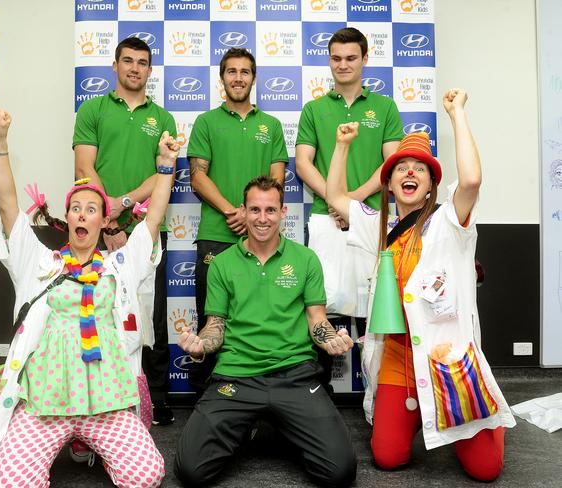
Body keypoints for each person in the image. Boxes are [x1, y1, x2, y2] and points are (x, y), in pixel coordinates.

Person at [0, 109, 179, 487]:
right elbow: (7, 208)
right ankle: (71, 442)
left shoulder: (120, 265)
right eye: (76, 208)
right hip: (46, 405)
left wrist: (166, 165)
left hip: (106, 402)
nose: (83, 214)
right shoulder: (40, 262)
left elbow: (152, 221)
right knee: (10, 483)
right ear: (66, 217)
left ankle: (90, 441)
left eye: (92, 209)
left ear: (103, 221)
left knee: (146, 474)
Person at [325, 89, 516, 481]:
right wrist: (342, 146)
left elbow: (473, 179)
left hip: (448, 361)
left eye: (419, 168)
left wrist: (457, 112)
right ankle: (416, 415)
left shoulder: (449, 223)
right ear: (389, 183)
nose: (409, 172)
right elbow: (335, 197)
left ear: (430, 184)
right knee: (388, 458)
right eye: (401, 168)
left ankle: (487, 415)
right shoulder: (377, 223)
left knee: (486, 471)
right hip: (397, 360)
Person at [175, 176, 358, 487]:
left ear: (283, 212)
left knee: (339, 473)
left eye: (270, 210)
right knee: (191, 471)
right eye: (255, 210)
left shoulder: (305, 259)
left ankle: (278, 425)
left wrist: (331, 340)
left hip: (294, 375)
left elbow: (316, 319)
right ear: (244, 212)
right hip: (237, 375)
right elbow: (215, 326)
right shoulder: (221, 264)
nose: (262, 218)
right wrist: (200, 345)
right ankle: (256, 426)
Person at [73, 36, 177, 426]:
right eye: (128, 61)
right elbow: (85, 168)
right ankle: (104, 395)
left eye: (142, 62)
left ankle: (157, 397)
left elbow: (163, 172)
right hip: (97, 230)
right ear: (115, 66)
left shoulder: (163, 118)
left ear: (150, 70)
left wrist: (126, 204)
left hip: (146, 230)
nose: (135, 68)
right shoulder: (93, 109)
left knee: (152, 315)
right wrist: (109, 219)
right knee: (100, 312)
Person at [296, 27, 404, 387]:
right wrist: (335, 201)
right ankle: (317, 391)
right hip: (325, 220)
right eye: (336, 58)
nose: (343, 64)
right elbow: (303, 164)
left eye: (351, 58)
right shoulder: (314, 109)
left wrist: (351, 202)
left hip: (373, 219)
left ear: (365, 59)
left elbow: (392, 164)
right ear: (329, 60)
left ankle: (380, 396)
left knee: (376, 307)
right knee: (319, 305)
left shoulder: (385, 107)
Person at [188, 48, 288, 390]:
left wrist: (250, 217)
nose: (238, 78)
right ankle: (207, 397)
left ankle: (259, 396)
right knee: (210, 318)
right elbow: (197, 177)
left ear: (253, 78)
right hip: (216, 232)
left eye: (245, 72)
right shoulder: (206, 122)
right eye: (231, 71)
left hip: (260, 236)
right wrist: (233, 212)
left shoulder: (271, 125)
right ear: (222, 78)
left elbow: (277, 181)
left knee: (260, 317)